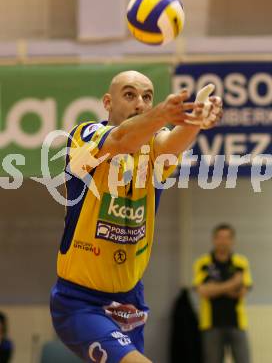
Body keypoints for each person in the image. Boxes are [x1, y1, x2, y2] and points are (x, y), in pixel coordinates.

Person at [50, 70, 223, 363]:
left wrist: (195, 122)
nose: (140, 103)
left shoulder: (153, 149)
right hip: (80, 302)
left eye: (147, 97)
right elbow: (121, 140)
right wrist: (160, 114)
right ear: (107, 102)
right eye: (129, 95)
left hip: (129, 302)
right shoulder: (85, 136)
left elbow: (170, 142)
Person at [193, 223, 253, 363]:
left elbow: (241, 292)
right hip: (211, 324)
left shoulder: (241, 262)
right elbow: (203, 291)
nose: (223, 241)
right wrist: (233, 283)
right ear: (214, 239)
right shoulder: (202, 263)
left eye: (227, 238)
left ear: (232, 240)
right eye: (220, 237)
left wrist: (214, 287)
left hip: (237, 322)